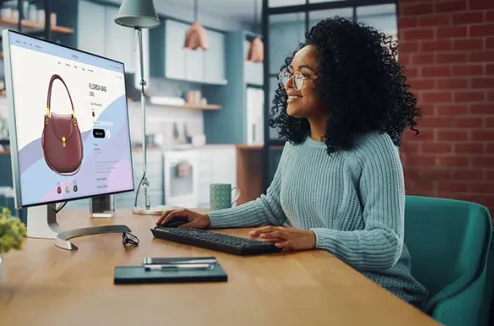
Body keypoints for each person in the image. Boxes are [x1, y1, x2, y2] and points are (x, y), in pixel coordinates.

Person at [157, 16, 429, 309]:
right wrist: (208, 219)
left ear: (340, 83)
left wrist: (312, 238)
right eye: (289, 72)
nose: (289, 83)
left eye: (302, 75)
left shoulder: (375, 147)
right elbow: (272, 206)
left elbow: (386, 244)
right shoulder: (297, 143)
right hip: (319, 277)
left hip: (377, 291)